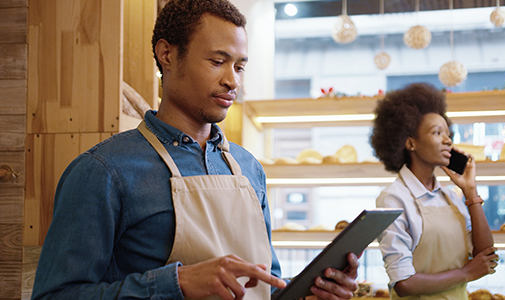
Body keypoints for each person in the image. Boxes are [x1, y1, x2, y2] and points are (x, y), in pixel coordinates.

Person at [31, 0, 359, 299]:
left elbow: (264, 286)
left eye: (240, 66)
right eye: (218, 61)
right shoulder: (104, 171)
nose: (233, 81)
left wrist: (311, 293)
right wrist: (176, 284)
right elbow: (53, 296)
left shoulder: (249, 169)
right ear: (167, 55)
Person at [370, 82, 498, 299]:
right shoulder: (394, 198)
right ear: (410, 143)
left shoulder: (450, 196)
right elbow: (404, 283)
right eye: (437, 133)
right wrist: (466, 272)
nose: (448, 140)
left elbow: (485, 256)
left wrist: (470, 191)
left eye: (448, 134)